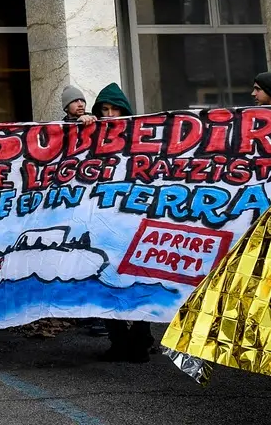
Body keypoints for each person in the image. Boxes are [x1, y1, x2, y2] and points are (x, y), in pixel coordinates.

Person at [89, 83, 153, 361]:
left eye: (115, 109)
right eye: (105, 109)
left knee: (138, 281)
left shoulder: (142, 137)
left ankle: (140, 341)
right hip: (102, 223)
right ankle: (118, 341)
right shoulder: (91, 135)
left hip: (133, 222)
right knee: (104, 279)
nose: (110, 114)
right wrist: (82, 124)